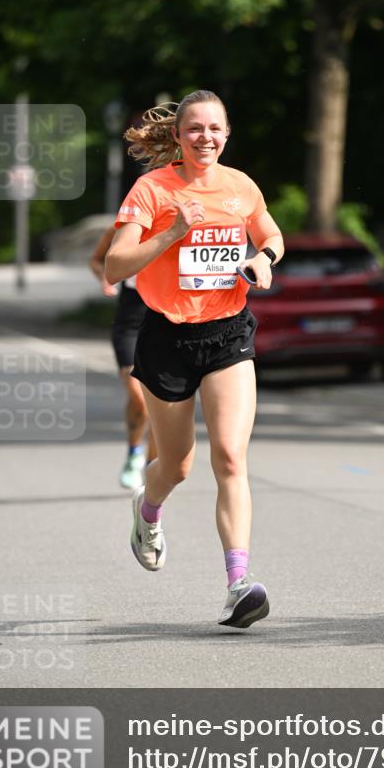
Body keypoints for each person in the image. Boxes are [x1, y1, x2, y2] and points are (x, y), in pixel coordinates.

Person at [105, 91, 284, 628]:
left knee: (230, 457)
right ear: (178, 137)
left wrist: (264, 259)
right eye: (194, 130)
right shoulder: (152, 189)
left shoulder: (240, 186)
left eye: (215, 129)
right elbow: (115, 266)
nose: (205, 137)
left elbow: (270, 232)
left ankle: (238, 585)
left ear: (227, 135)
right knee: (177, 465)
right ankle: (148, 511)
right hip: (168, 338)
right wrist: (171, 233)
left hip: (229, 333)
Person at [89, 225, 157, 488]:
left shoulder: (177, 228)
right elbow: (96, 261)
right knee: (139, 397)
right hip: (129, 325)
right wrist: (103, 277)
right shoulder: (122, 228)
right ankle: (133, 453)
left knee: (158, 403)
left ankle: (153, 470)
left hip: (164, 323)